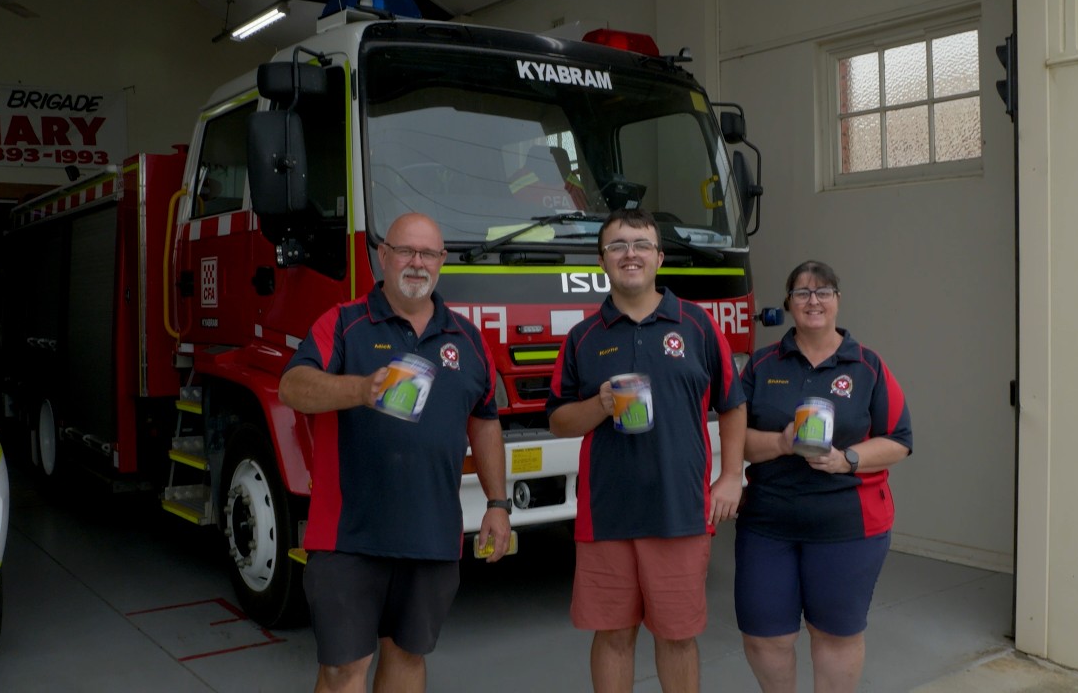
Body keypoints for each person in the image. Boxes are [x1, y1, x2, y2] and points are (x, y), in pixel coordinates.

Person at [278, 212, 512, 693]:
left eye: (428, 253)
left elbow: (485, 420)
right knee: (344, 668)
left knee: (407, 656)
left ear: (442, 261)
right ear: (382, 256)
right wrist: (362, 389)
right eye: (405, 251)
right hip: (348, 535)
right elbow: (293, 387)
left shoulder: (467, 339)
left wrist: (497, 504)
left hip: (431, 534)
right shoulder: (344, 324)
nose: (417, 263)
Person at [547, 208, 746, 693]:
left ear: (658, 257)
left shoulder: (697, 325)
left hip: (679, 512)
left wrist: (730, 476)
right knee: (612, 634)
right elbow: (557, 421)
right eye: (617, 245)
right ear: (602, 261)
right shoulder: (583, 338)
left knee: (677, 637)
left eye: (639, 244)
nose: (629, 254)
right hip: (606, 515)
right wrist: (600, 403)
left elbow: (734, 405)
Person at [735, 260, 913, 693]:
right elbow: (733, 439)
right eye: (802, 293)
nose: (812, 301)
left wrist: (845, 458)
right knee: (764, 635)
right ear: (788, 304)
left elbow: (899, 440)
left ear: (837, 300)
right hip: (768, 523)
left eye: (823, 292)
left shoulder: (867, 366)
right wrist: (781, 443)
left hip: (848, 525)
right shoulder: (761, 366)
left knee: (835, 635)